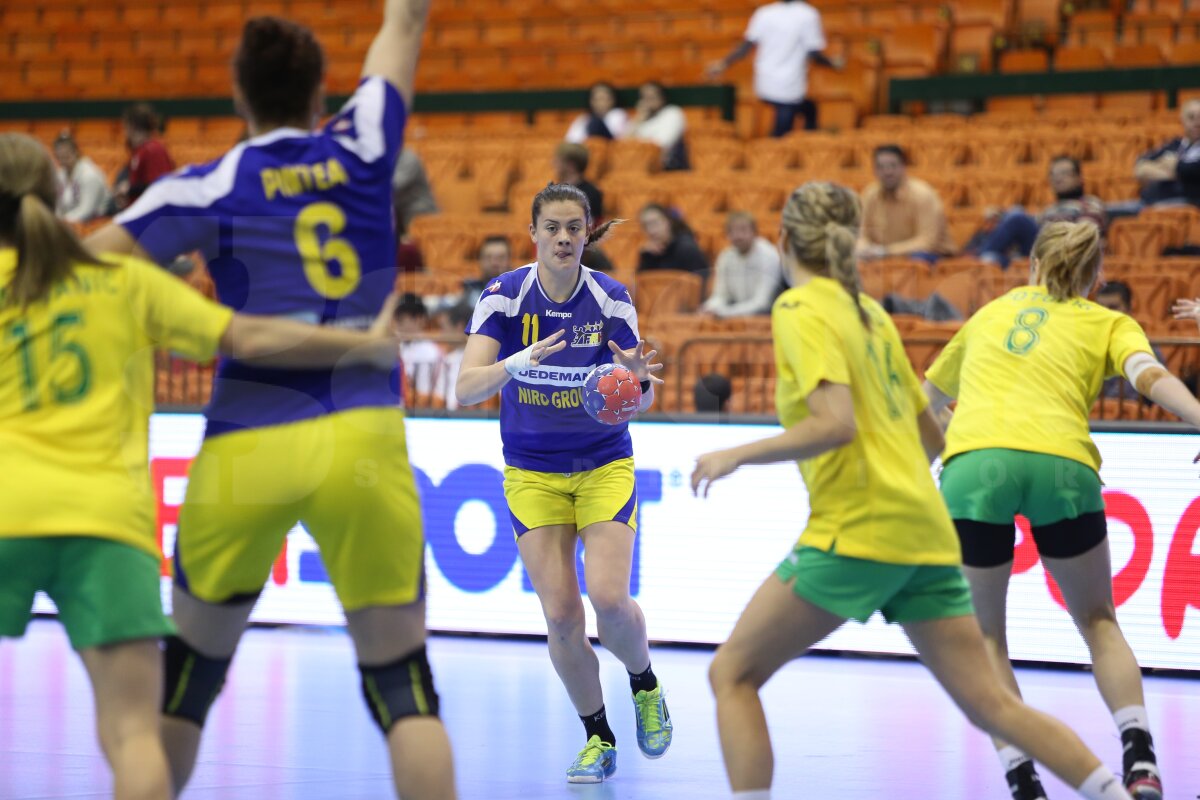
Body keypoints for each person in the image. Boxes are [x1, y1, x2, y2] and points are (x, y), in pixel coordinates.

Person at [84, 6, 458, 799]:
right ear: (323, 92)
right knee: (402, 685)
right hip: (361, 436)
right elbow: (408, 21)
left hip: (242, 446)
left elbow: (78, 268)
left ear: (237, 94)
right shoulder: (360, 144)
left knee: (185, 685)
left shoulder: (206, 184)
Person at [692, 182, 1139, 800]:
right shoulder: (869, 312)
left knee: (731, 674)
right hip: (926, 531)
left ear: (786, 241)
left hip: (859, 530)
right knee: (995, 706)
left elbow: (835, 424)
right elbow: (931, 434)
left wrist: (734, 453)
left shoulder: (800, 309)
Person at [0, 133, 404, 800]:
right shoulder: (122, 283)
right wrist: (359, 343)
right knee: (133, 734)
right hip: (108, 526)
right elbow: (247, 336)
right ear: (57, 196)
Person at [922, 221, 1200, 800]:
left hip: (974, 465)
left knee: (987, 641)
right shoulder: (1109, 321)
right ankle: (1141, 759)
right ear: (1096, 277)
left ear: (1031, 264)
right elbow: (1149, 378)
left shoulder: (989, 314)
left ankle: (1023, 778)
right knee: (1099, 621)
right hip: (1062, 466)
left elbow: (924, 410)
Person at [455, 184, 669, 783]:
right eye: (552, 227)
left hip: (602, 463)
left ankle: (644, 682)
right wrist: (515, 364)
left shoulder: (609, 297)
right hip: (532, 471)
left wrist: (637, 389)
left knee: (608, 599)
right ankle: (598, 737)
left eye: (574, 227)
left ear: (587, 232)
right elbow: (465, 387)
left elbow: (641, 394)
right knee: (563, 616)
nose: (564, 238)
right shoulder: (502, 296)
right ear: (533, 233)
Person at [705, 0, 837, 137]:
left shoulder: (764, 13)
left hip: (767, 80)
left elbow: (745, 47)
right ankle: (775, 150)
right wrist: (833, 64)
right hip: (788, 82)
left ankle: (806, 146)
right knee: (782, 131)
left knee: (809, 109)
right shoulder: (808, 14)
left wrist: (723, 64)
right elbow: (814, 53)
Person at [976, 156, 1108, 268]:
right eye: (1053, 174)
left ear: (1079, 178)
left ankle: (975, 260)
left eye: (1064, 173)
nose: (1058, 179)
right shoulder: (1049, 209)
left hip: (1063, 253)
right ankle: (979, 259)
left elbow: (1083, 235)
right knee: (992, 257)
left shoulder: (1089, 203)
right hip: (1039, 254)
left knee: (1017, 214)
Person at [858, 144, 955, 263]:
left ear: (903, 167)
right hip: (884, 255)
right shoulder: (870, 195)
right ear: (874, 170)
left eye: (893, 166)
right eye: (881, 167)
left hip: (932, 256)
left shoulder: (922, 195)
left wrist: (886, 251)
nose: (887, 172)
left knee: (916, 260)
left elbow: (927, 242)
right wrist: (865, 249)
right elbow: (860, 235)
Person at [1095, 280, 1165, 404]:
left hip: (1132, 420)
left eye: (1113, 307)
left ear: (1129, 308)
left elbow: (1129, 396)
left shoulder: (1147, 348)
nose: (1106, 314)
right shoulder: (1086, 343)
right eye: (1101, 308)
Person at [702, 211, 782, 317]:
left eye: (743, 230)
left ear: (754, 232)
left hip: (768, 317)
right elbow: (721, 295)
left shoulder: (769, 255)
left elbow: (762, 303)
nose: (737, 235)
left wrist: (724, 312)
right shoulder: (725, 257)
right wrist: (709, 308)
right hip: (735, 314)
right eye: (732, 231)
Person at [1134, 98, 1200, 207]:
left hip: (1188, 205)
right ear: (1182, 120)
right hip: (1150, 202)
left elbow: (1194, 171)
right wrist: (1175, 173)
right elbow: (1141, 167)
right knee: (1107, 211)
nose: (1197, 123)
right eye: (1191, 117)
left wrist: (1176, 167)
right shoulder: (1175, 144)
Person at [113, 103, 174, 212]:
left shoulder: (153, 149)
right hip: (138, 213)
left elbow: (159, 186)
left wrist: (129, 189)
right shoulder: (138, 151)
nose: (124, 132)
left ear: (132, 126)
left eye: (125, 127)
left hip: (151, 218)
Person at [623, 82, 688, 171]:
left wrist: (640, 147)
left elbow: (663, 143)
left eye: (653, 97)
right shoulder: (640, 119)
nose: (649, 101)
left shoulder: (672, 112)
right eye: (645, 98)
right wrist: (638, 119)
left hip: (668, 166)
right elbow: (623, 145)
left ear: (662, 98)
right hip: (638, 166)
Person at [393, 292, 442, 405]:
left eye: (400, 321)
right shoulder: (396, 346)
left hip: (419, 409)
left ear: (419, 319)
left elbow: (423, 394)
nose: (396, 326)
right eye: (395, 320)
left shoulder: (429, 352)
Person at [52, 132, 112, 223]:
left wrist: (61, 223)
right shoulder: (60, 175)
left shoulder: (89, 175)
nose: (63, 162)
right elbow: (58, 208)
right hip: (70, 224)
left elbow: (86, 212)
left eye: (66, 157)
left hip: (96, 225)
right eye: (60, 158)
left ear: (75, 152)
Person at [637, 202, 709, 275]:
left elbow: (702, 281)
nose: (650, 230)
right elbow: (641, 283)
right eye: (645, 226)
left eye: (654, 223)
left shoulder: (687, 248)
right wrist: (647, 257)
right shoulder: (649, 252)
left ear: (667, 222)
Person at [554, 142, 604, 221]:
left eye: (559, 161)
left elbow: (595, 225)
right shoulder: (553, 191)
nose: (553, 164)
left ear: (571, 166)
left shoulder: (591, 193)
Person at [461, 234, 512, 307]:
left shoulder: (521, 293)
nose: (494, 263)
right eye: (488, 257)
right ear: (479, 261)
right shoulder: (469, 292)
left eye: (501, 258)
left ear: (509, 261)